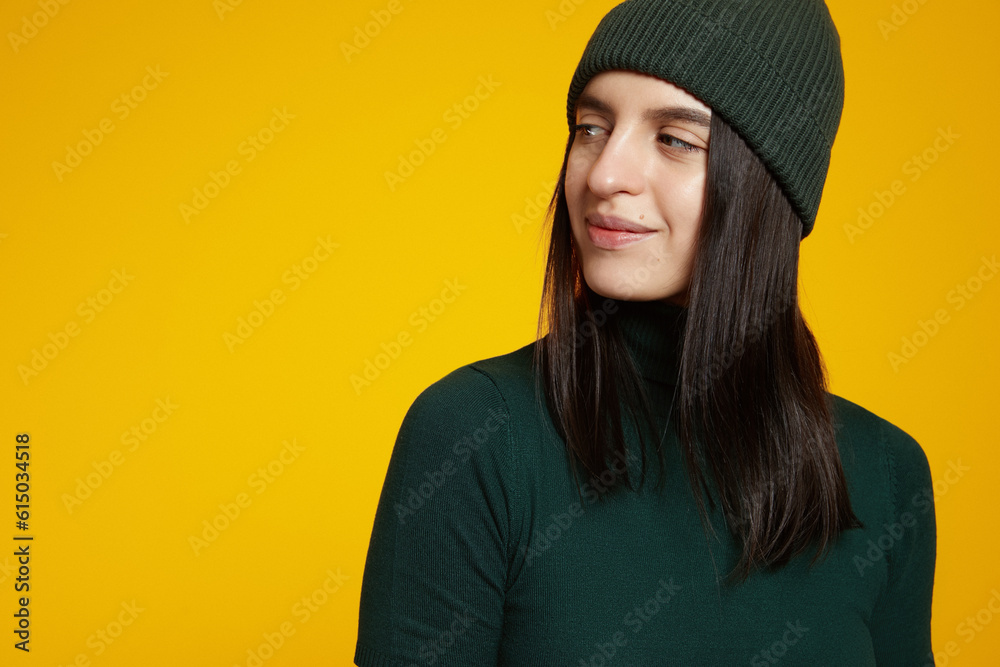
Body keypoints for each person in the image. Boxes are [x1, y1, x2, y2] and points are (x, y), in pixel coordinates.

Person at [355, 0, 937, 664]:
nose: (604, 176)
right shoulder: (476, 437)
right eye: (591, 127)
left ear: (771, 185)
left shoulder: (888, 475)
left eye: (675, 139)